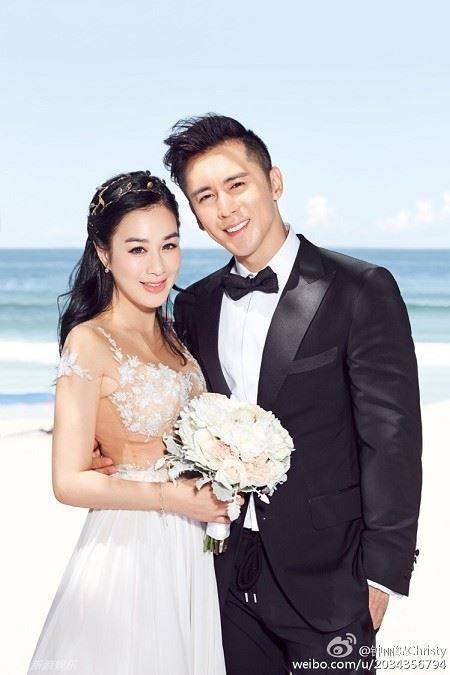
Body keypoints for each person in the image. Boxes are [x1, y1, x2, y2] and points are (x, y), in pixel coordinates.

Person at [160, 115, 422, 674]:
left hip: (334, 580)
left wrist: (383, 574)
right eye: (205, 197)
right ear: (196, 215)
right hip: (226, 572)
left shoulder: (360, 289)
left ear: (274, 182)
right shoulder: (195, 305)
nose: (225, 208)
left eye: (237, 185)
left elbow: (392, 440)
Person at [29, 171, 230, 675]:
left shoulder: (177, 335)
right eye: (137, 249)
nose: (158, 267)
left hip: (191, 548)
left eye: (169, 245)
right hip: (132, 547)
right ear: (104, 253)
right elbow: (68, 482)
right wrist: (171, 498)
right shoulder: (89, 342)